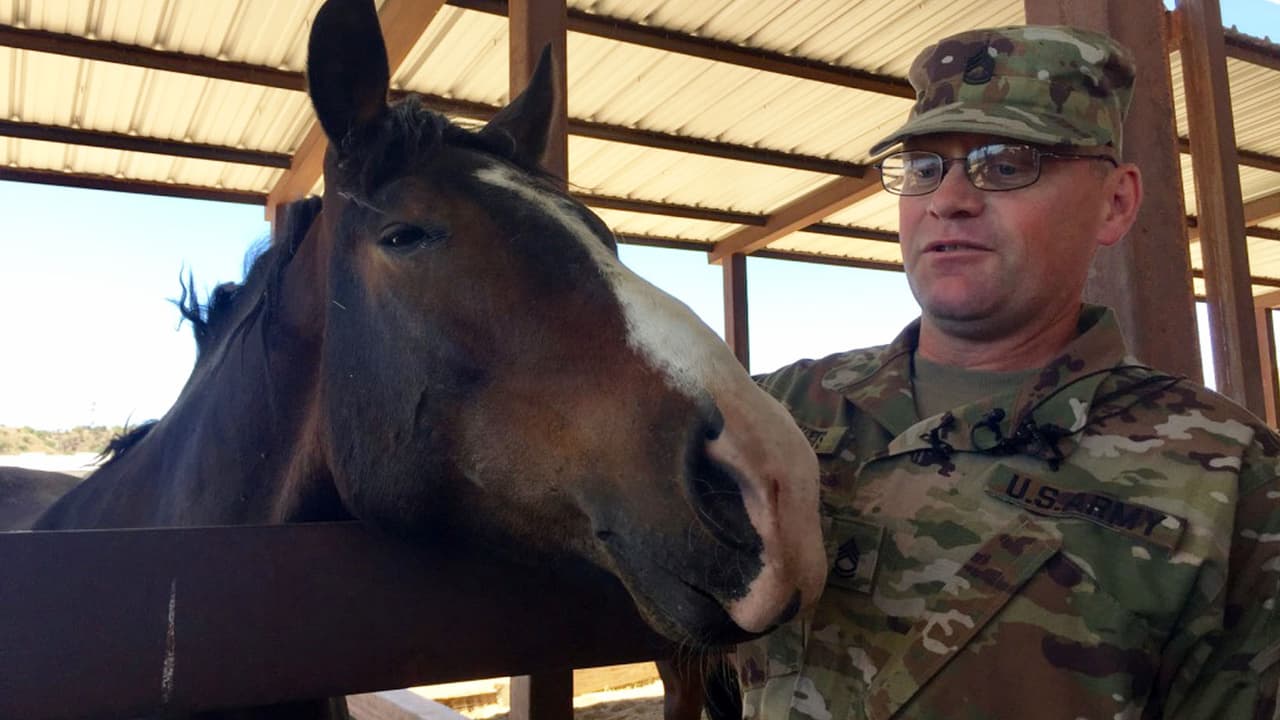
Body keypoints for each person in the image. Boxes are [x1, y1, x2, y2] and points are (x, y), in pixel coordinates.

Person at [731, 25, 1280, 720]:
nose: (949, 199)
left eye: (1007, 163)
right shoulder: (774, 412)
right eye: (924, 166)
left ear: (1116, 203)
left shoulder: (1233, 475)